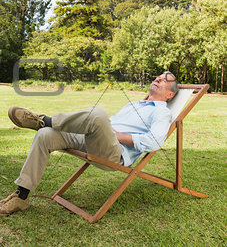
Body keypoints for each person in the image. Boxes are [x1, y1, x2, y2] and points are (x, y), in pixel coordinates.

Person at [0, 71, 178, 217]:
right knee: (45, 135)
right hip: (97, 140)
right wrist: (107, 131)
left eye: (164, 80)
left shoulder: (162, 113)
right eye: (158, 77)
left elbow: (154, 141)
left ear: (170, 94)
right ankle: (21, 197)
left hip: (115, 153)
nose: (158, 79)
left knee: (98, 114)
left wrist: (118, 136)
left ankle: (44, 120)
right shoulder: (134, 105)